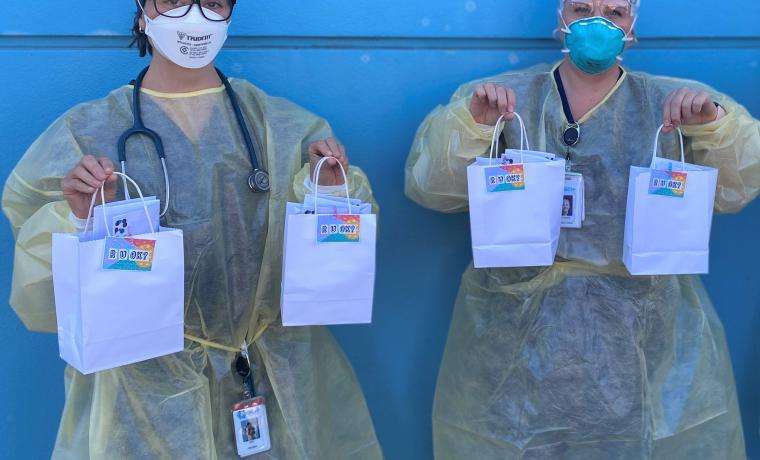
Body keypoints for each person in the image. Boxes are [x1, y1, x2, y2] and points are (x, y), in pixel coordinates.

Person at [2, 1, 382, 458]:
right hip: (144, 394)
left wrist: (331, 189)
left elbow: (333, 258)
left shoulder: (283, 130)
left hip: (273, 376)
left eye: (213, 2)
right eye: (175, 0)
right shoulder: (84, 134)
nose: (195, 15)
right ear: (143, 13)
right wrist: (80, 217)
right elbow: (43, 293)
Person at [405, 0, 759, 458]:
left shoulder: (676, 103)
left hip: (642, 337)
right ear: (561, 17)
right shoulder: (503, 99)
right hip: (517, 334)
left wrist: (712, 126)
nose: (599, 22)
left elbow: (739, 185)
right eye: (582, 8)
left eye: (615, 11)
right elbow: (434, 188)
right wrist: (474, 125)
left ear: (633, 22)